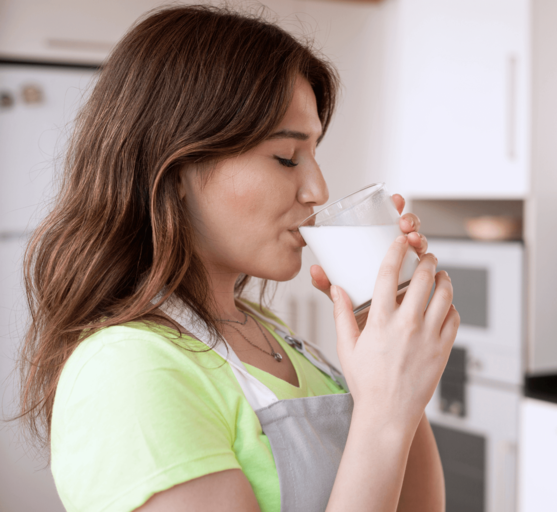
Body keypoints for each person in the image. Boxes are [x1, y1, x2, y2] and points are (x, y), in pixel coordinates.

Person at [17, 5, 460, 512]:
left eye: (315, 153)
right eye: (287, 157)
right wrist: (381, 413)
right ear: (178, 170)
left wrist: (393, 356)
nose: (318, 189)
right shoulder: (125, 372)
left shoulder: (271, 335)